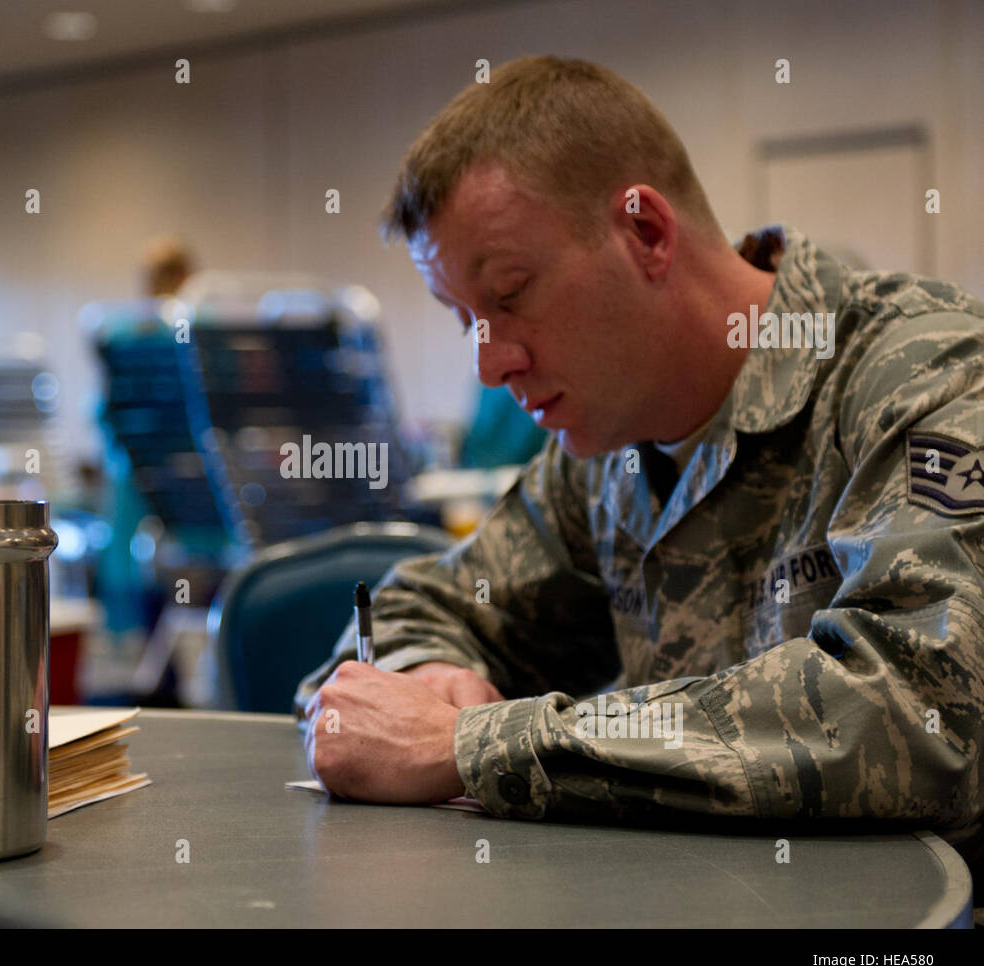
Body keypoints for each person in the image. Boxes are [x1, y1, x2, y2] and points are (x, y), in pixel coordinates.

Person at [294, 56, 984, 874]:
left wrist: (472, 746)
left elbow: (920, 709)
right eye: (463, 318)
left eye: (510, 295)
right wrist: (428, 678)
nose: (489, 364)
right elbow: (431, 600)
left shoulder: (922, 373)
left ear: (647, 234)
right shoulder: (607, 451)